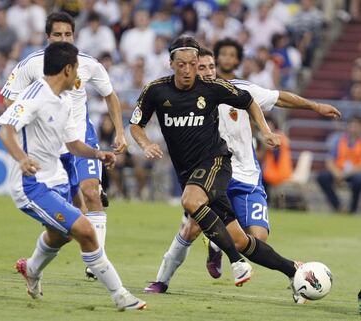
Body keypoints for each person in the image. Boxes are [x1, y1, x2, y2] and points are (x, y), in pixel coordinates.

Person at [141, 42, 340, 303]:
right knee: (191, 226)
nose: (208, 71)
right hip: (211, 174)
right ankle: (162, 279)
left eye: (211, 66)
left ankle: (285, 269)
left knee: (254, 240)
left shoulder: (238, 90)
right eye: (202, 67)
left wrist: (314, 107)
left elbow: (278, 97)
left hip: (246, 177)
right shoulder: (187, 95)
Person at [0, 42, 145, 311]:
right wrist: (22, 158)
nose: (79, 76)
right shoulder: (34, 96)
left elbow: (73, 144)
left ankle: (30, 269)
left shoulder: (64, 101)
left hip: (56, 179)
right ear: (67, 69)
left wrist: (97, 155)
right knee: (85, 230)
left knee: (61, 235)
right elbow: (6, 131)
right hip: (32, 185)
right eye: (76, 69)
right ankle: (121, 296)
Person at [0, 12, 127, 279]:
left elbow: (110, 96)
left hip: (81, 137)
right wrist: (27, 130)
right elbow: (8, 98)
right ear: (47, 37)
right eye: (57, 34)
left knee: (92, 192)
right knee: (70, 223)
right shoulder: (32, 64)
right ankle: (32, 266)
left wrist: (119, 132)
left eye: (67, 34)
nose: (62, 39)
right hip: (52, 147)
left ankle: (96, 264)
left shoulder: (87, 65)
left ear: (74, 35)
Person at [317, 115, 361, 214]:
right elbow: (329, 160)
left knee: (358, 180)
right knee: (322, 177)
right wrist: (336, 172)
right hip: (339, 172)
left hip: (354, 173)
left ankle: (352, 209)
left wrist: (347, 173)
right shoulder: (338, 140)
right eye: (351, 125)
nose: (353, 128)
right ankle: (337, 206)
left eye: (356, 126)